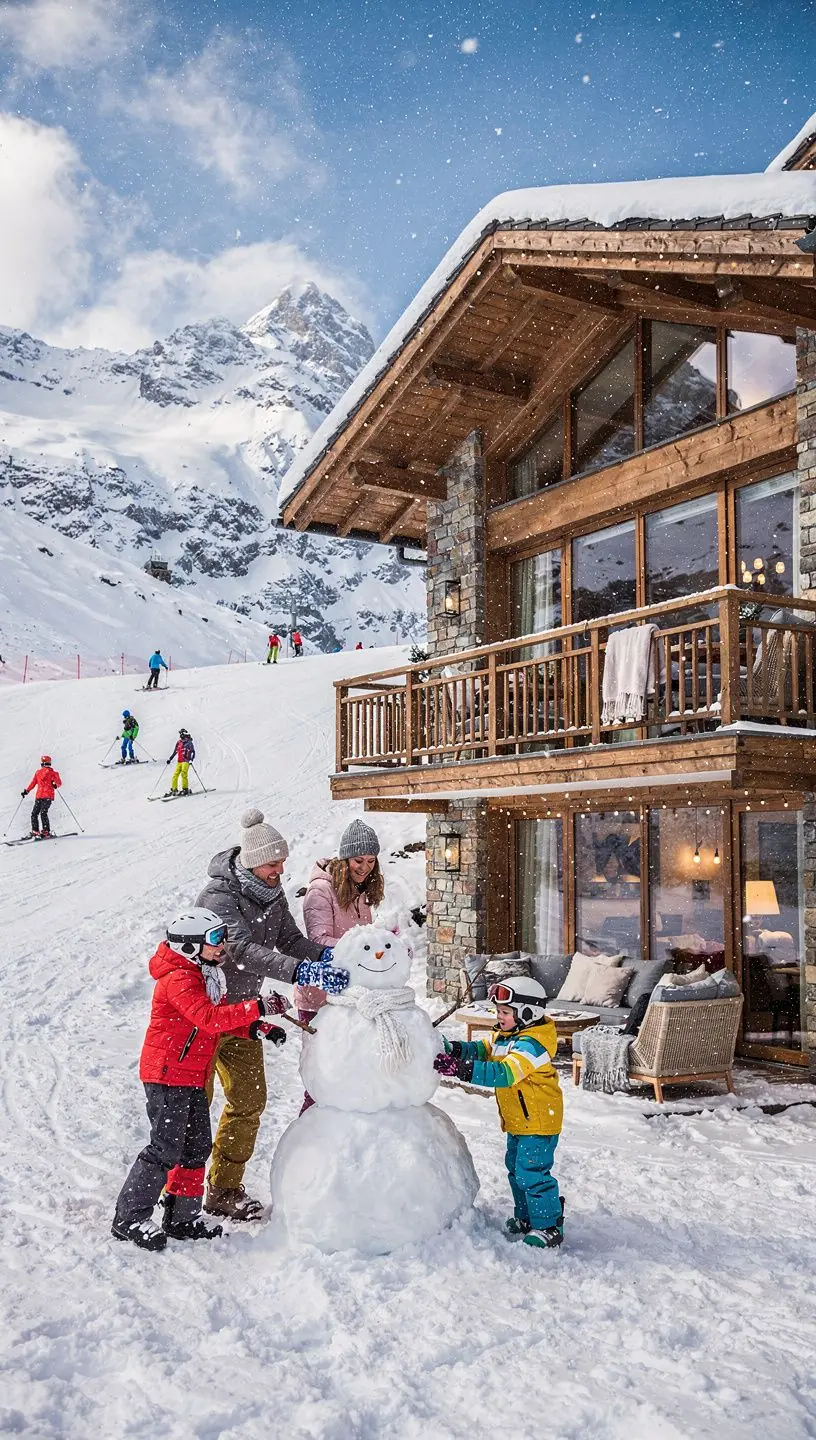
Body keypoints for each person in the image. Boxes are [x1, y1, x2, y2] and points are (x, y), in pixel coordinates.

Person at [196, 808, 349, 1219]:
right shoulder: (219, 897)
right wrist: (301, 971)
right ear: (250, 861)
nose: (280, 869)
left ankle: (223, 1189)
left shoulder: (272, 892)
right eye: (272, 863)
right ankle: (182, 1191)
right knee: (193, 1107)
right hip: (207, 1016)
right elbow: (239, 950)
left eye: (282, 862)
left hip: (244, 1015)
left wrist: (332, 956)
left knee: (249, 1099)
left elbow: (288, 939)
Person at [111, 908, 289, 1251]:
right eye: (213, 939)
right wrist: (258, 1007)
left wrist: (256, 1027)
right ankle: (128, 1216)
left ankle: (181, 1217)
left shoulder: (205, 974)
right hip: (167, 1075)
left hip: (191, 1074)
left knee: (194, 1147)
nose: (221, 945)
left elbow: (217, 1022)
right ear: (190, 946)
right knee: (164, 1148)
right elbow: (207, 1017)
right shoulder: (179, 978)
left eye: (222, 935)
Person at [434, 977, 564, 1249]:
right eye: (498, 1012)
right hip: (519, 1121)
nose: (499, 1017)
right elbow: (484, 1050)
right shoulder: (507, 1036)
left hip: (539, 1122)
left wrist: (460, 1069)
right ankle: (527, 1218)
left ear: (529, 1014)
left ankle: (549, 1226)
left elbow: (504, 1074)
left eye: (505, 1012)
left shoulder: (533, 1045)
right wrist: (456, 1050)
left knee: (533, 1174)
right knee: (516, 1171)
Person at [21, 755, 62, 838]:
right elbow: (59, 783)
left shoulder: (46, 773)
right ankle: (41, 831)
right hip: (44, 796)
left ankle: (39, 831)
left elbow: (33, 783)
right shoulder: (49, 773)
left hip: (42, 796)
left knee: (36, 813)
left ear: (42, 763)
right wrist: (55, 784)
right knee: (41, 813)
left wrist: (27, 791)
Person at [165, 728, 195, 795]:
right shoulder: (179, 742)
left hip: (186, 761)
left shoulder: (189, 743)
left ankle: (185, 789)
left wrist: (191, 760)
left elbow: (193, 752)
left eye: (183, 736)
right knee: (175, 775)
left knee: (183, 774)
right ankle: (174, 789)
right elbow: (175, 751)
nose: (182, 738)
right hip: (179, 761)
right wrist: (170, 759)